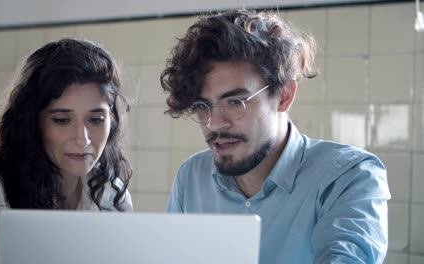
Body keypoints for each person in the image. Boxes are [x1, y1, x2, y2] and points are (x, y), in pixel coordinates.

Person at [160, 9, 390, 263]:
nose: (215, 124)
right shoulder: (191, 177)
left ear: (284, 96)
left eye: (235, 101)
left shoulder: (348, 177)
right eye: (203, 106)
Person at [0, 38, 133, 264]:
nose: (83, 138)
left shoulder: (112, 194)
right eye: (62, 120)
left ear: (112, 121)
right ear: (31, 122)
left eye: (96, 119)